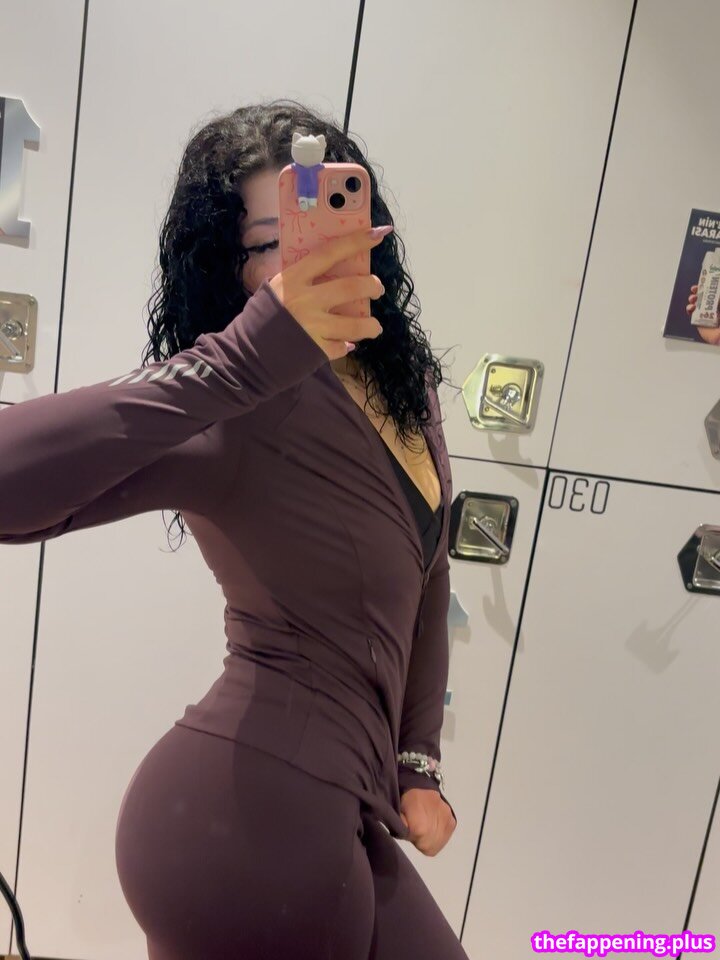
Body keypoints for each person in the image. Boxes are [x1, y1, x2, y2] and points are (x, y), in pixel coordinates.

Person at [0, 100, 467, 959]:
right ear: (230, 265)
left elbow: (431, 577)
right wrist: (240, 362)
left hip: (342, 810)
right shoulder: (232, 401)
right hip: (243, 829)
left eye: (330, 222)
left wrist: (418, 762)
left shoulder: (411, 391)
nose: (310, 255)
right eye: (274, 240)